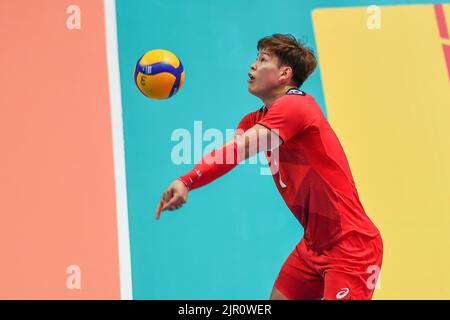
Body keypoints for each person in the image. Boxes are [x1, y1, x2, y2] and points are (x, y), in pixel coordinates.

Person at [155, 34, 383, 300]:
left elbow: (239, 149)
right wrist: (190, 181)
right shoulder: (255, 119)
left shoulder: (296, 106)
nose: (252, 66)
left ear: (285, 73)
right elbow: (231, 155)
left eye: (263, 60)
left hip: (352, 248)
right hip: (313, 247)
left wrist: (187, 181)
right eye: (256, 59)